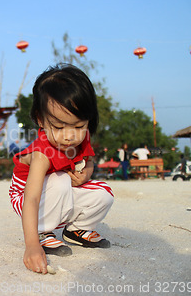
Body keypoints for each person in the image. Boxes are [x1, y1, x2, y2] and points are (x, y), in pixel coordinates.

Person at [9, 64, 114, 274]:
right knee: (59, 179)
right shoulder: (42, 153)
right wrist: (31, 245)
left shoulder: (81, 138)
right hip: (26, 197)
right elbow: (31, 199)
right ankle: (42, 233)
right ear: (40, 119)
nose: (69, 136)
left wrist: (86, 173)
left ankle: (76, 230)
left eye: (78, 126)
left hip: (58, 192)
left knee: (103, 194)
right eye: (58, 127)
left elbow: (89, 160)